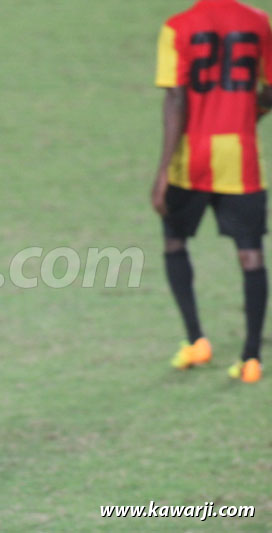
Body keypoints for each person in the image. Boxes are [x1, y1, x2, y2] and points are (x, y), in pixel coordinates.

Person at [152, 0, 272, 383]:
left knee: (175, 242)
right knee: (250, 255)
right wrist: (250, 114)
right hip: (240, 157)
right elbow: (270, 88)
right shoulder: (259, 22)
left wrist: (162, 171)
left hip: (193, 157)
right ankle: (251, 358)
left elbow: (175, 98)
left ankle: (196, 340)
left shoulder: (179, 25)